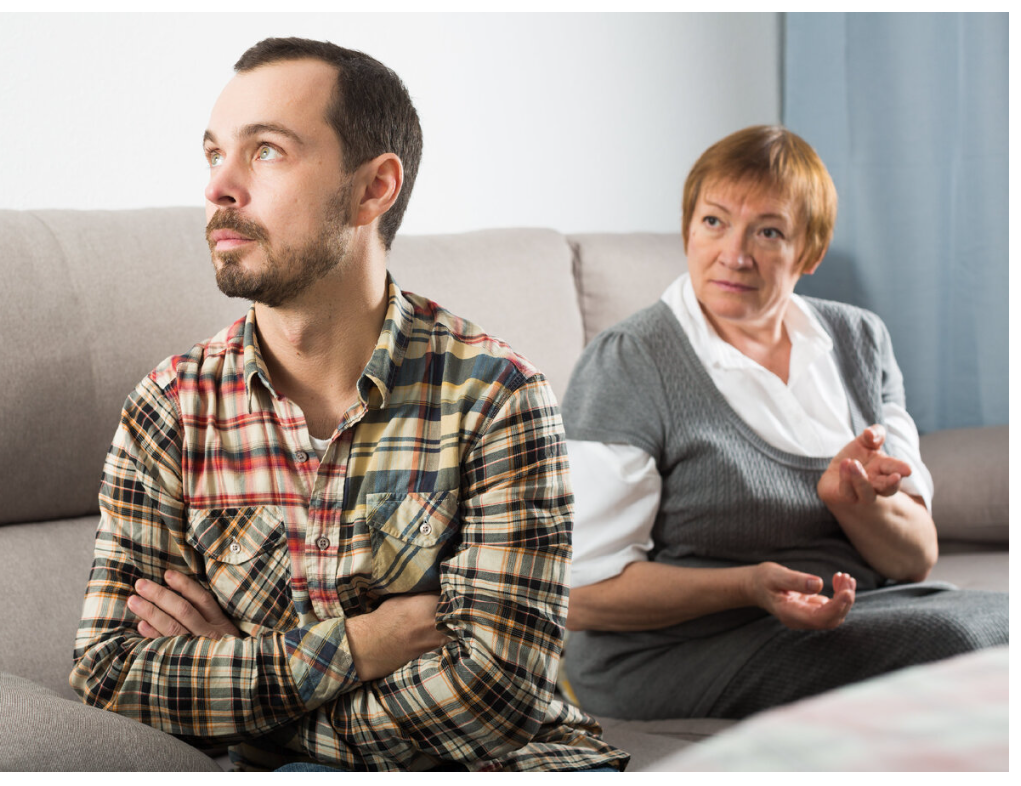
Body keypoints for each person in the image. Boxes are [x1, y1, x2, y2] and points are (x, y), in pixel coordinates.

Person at [69, 37, 626, 772]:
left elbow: (494, 696)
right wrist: (362, 645)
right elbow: (111, 673)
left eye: (266, 151)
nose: (219, 187)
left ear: (374, 189)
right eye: (214, 154)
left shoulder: (498, 398)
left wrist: (252, 698)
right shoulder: (170, 408)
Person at [560, 125, 1008, 721]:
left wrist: (854, 504)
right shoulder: (629, 362)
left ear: (811, 253)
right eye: (714, 222)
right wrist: (748, 586)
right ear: (688, 229)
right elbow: (579, 595)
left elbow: (914, 560)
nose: (735, 254)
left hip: (863, 611)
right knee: (956, 648)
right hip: (678, 652)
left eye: (768, 232)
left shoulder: (860, 340)